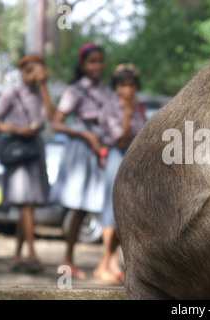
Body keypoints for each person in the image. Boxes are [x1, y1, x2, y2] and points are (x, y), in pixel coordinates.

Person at [49, 43, 111, 280]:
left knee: (104, 203)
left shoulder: (107, 90)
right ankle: (67, 259)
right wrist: (85, 133)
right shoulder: (75, 90)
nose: (97, 65)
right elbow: (57, 123)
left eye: (100, 60)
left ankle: (108, 262)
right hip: (82, 149)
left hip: (102, 147)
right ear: (83, 65)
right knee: (79, 205)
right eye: (92, 61)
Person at [0, 55, 54, 273]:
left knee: (29, 206)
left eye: (38, 70)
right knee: (26, 205)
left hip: (34, 152)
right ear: (22, 71)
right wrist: (17, 130)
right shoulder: (12, 94)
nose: (34, 74)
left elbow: (52, 118)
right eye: (29, 70)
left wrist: (44, 85)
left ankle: (17, 256)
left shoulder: (40, 93)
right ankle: (32, 255)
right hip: (18, 153)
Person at [93, 63, 147, 285]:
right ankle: (105, 263)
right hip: (117, 155)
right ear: (116, 87)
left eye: (132, 85)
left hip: (133, 158)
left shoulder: (139, 107)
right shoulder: (110, 107)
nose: (127, 90)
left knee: (128, 210)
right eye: (123, 85)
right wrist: (126, 114)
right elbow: (121, 137)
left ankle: (116, 263)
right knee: (112, 209)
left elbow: (144, 134)